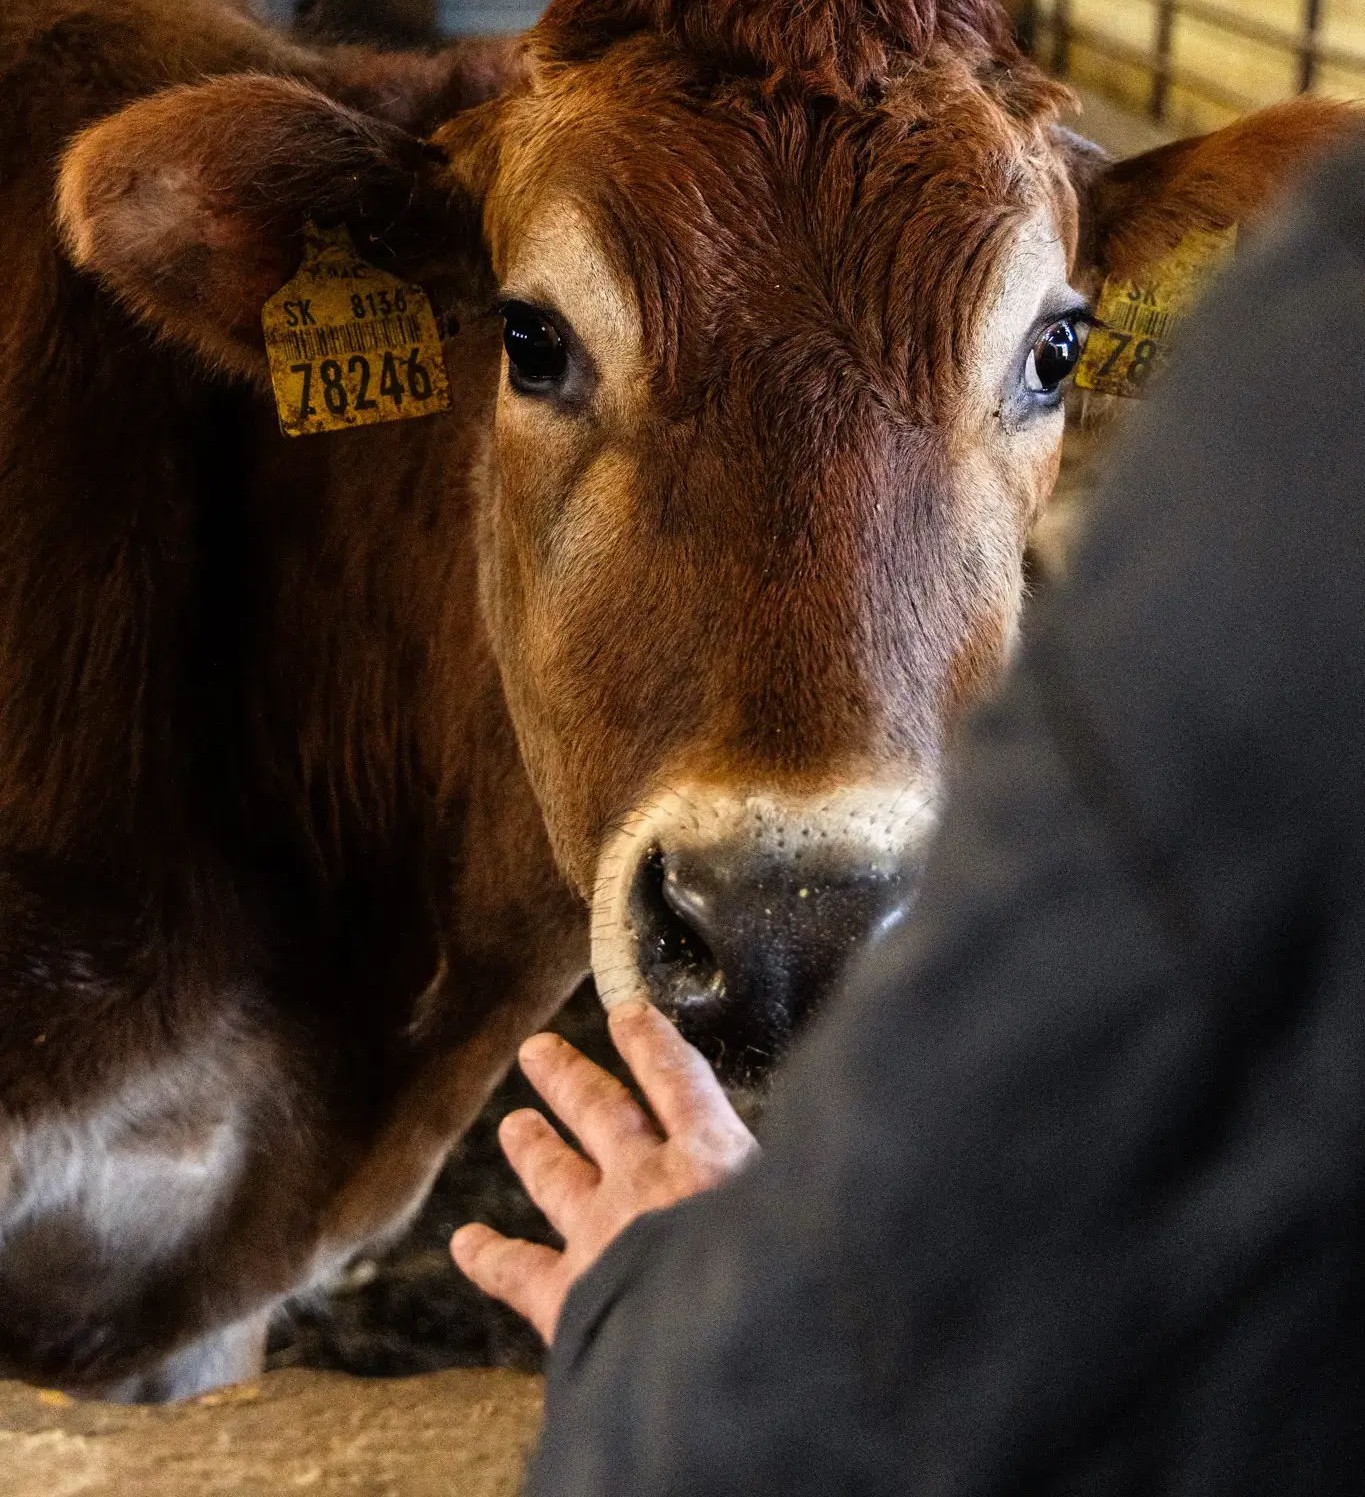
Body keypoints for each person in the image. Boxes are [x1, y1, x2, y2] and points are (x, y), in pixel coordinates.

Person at [453, 138, 1365, 1495]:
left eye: (1051, 362)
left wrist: (649, 1312)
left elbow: (875, 1399)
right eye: (536, 343)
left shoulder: (1322, 356)